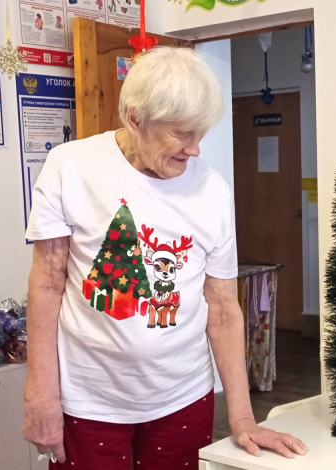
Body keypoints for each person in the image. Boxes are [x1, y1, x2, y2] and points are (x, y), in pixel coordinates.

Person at [22, 47, 307, 469]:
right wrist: (41, 394)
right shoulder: (70, 167)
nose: (194, 150)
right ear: (136, 119)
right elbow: (47, 284)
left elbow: (223, 308)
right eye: (182, 134)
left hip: (183, 398)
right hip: (88, 400)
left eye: (200, 135)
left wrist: (243, 417)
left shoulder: (212, 190)